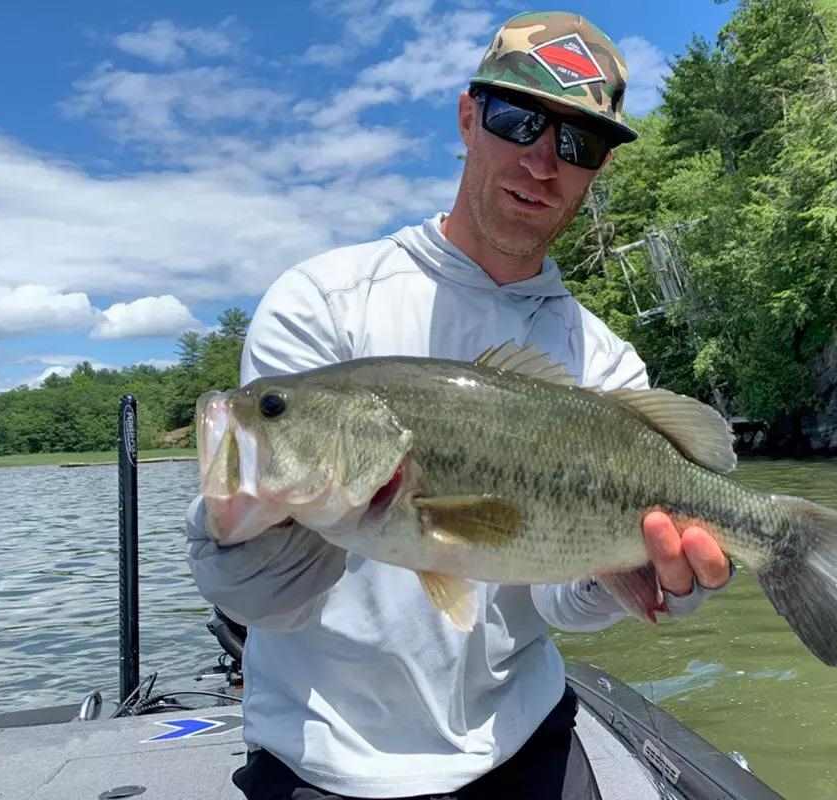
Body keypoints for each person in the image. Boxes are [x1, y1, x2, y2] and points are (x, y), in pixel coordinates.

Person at [186, 11, 731, 800]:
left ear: (597, 169)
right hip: (328, 762)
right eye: (519, 121)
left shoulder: (606, 363)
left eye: (579, 144)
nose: (543, 160)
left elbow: (559, 601)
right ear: (469, 116)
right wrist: (238, 534)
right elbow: (268, 601)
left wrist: (641, 574)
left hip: (526, 741)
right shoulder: (323, 305)